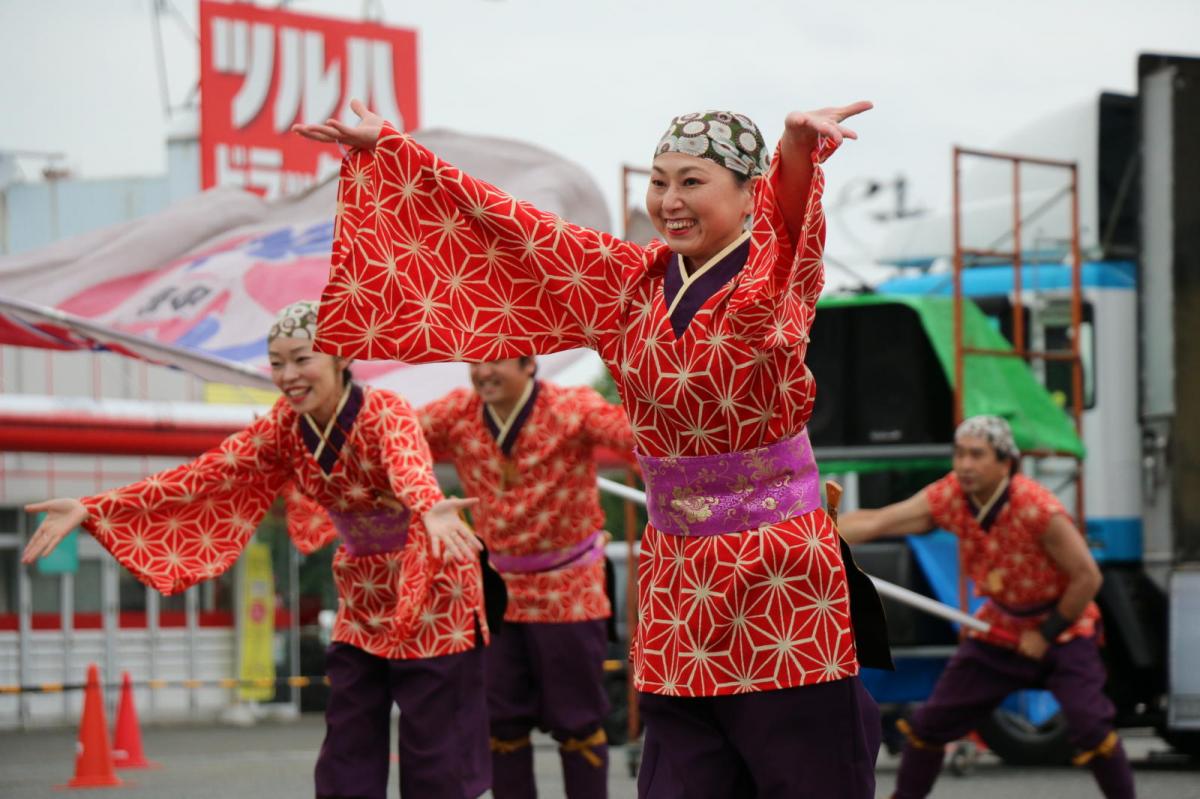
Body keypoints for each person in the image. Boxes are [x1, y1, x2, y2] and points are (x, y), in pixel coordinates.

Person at [294, 98, 890, 799]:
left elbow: (790, 238)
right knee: (675, 779)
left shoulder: (769, 281)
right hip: (675, 585)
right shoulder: (628, 284)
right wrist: (395, 152)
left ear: (749, 191)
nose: (668, 200)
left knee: (806, 773)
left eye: (692, 181)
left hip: (779, 578)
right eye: (659, 180)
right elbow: (513, 231)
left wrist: (793, 153)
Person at [21, 300, 491, 799]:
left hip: (431, 587)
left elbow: (410, 468)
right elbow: (206, 473)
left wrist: (428, 505)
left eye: (302, 358)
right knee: (348, 743)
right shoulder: (285, 426)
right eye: (276, 362)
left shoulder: (385, 412)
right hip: (364, 593)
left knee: (433, 750)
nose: (287, 375)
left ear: (341, 356)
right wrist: (94, 508)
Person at [838, 415, 1136, 799]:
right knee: (929, 726)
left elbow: (1087, 577)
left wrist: (1045, 634)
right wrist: (820, 532)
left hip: (1064, 629)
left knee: (1091, 726)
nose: (964, 465)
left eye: (977, 455)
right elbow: (879, 521)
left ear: (1005, 462)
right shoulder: (951, 496)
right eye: (959, 454)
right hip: (999, 628)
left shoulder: (1036, 508)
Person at [418, 356, 634, 799]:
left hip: (569, 588)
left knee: (579, 721)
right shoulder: (457, 412)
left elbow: (634, 433)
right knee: (501, 723)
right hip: (496, 589)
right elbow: (393, 437)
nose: (483, 373)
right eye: (474, 363)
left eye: (495, 361)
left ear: (529, 364)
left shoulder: (573, 407)